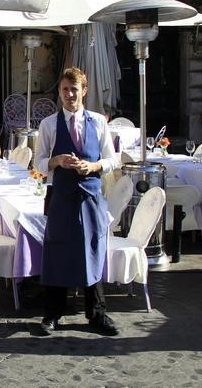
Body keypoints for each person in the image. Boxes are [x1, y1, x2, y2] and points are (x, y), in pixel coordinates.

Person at [33, 67, 120, 337]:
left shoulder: (98, 122)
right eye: (64, 90)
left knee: (93, 249)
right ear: (59, 92)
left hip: (91, 196)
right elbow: (37, 164)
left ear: (84, 91)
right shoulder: (48, 124)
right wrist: (56, 161)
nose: (69, 94)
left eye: (74, 89)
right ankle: (52, 314)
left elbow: (113, 159)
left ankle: (97, 314)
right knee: (57, 250)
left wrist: (93, 166)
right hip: (61, 195)